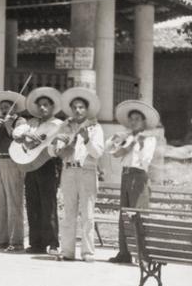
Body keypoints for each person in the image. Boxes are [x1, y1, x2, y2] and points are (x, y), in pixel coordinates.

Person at [49, 88, 105, 263]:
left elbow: (97, 153)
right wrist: (61, 145)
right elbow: (53, 151)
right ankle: (67, 251)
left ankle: (88, 252)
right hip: (68, 170)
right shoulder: (64, 126)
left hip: (86, 170)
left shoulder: (95, 127)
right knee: (68, 213)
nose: (78, 110)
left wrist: (86, 139)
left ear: (86, 110)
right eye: (75, 107)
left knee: (87, 213)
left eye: (81, 107)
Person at [12, 87, 63, 255]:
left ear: (52, 107)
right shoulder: (32, 123)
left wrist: (38, 140)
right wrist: (24, 137)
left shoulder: (57, 125)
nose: (42, 108)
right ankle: (36, 243)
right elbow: (17, 134)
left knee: (48, 204)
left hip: (48, 164)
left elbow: (54, 144)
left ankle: (53, 243)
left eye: (46, 105)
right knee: (32, 203)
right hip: (30, 164)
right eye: (40, 105)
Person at [107, 100, 159, 264]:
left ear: (144, 121)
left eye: (137, 118)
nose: (134, 122)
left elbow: (145, 161)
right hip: (126, 175)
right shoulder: (127, 137)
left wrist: (140, 143)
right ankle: (124, 252)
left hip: (139, 176)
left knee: (138, 215)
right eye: (132, 119)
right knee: (124, 215)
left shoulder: (149, 139)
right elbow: (113, 152)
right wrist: (118, 140)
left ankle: (142, 253)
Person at [0, 91, 27, 252]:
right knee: (0, 201)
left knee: (14, 200)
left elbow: (17, 137)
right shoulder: (1, 121)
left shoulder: (20, 121)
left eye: (7, 107)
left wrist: (9, 124)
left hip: (13, 160)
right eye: (2, 107)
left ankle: (16, 240)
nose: (4, 110)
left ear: (14, 108)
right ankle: (3, 238)